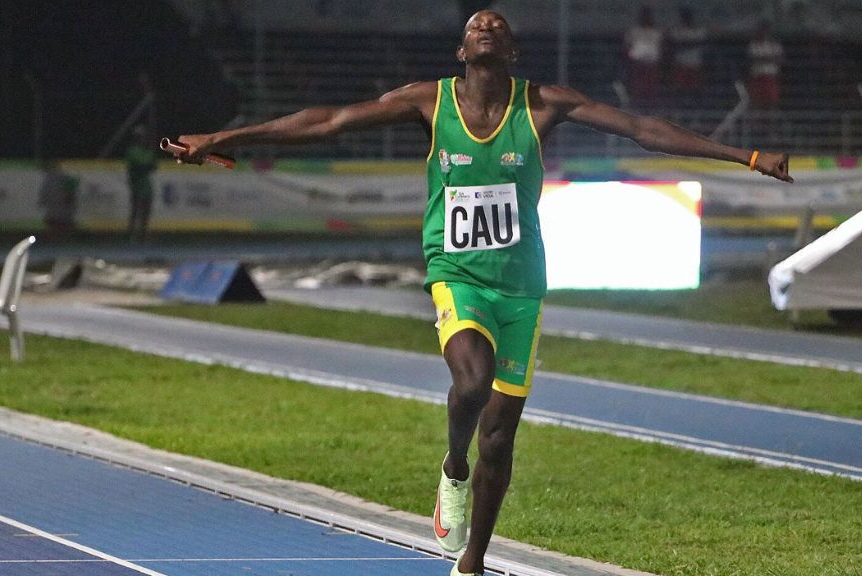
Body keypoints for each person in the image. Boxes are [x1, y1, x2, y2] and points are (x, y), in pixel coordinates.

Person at [172, 11, 792, 576]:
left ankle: (471, 563)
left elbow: (640, 128)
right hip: (456, 273)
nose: (486, 26)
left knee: (500, 434)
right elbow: (327, 121)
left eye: (497, 24)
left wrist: (745, 154)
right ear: (461, 49)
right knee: (471, 383)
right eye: (475, 24)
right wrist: (224, 139)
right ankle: (451, 468)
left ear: (512, 51)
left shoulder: (544, 105)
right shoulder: (428, 102)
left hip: (521, 287)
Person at [622, 6, 664, 108]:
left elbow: (662, 47)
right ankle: (636, 106)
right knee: (637, 87)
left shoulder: (657, 32)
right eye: (644, 16)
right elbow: (626, 46)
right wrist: (630, 57)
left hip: (652, 65)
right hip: (637, 65)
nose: (646, 18)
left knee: (651, 88)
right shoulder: (634, 31)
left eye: (648, 16)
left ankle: (652, 107)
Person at [126, 124, 158, 243]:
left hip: (147, 186)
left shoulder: (148, 151)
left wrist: (147, 165)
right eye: (141, 137)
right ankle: (131, 236)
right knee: (135, 211)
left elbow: (153, 166)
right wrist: (146, 166)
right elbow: (139, 166)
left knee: (145, 213)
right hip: (137, 185)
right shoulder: (132, 151)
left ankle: (142, 236)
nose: (143, 139)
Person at [668, 7, 708, 99]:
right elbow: (676, 44)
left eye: (688, 16)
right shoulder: (677, 30)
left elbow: (702, 42)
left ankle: (695, 107)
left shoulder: (698, 31)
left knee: (695, 88)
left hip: (695, 63)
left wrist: (686, 43)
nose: (686, 19)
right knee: (679, 88)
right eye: (685, 17)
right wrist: (692, 43)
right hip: (681, 63)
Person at [746, 20, 784, 109]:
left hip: (771, 77)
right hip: (757, 76)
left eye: (765, 30)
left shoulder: (775, 45)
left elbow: (780, 59)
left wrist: (763, 58)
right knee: (756, 103)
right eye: (761, 30)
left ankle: (772, 122)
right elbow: (753, 59)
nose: (763, 32)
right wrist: (771, 58)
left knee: (772, 104)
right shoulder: (753, 44)